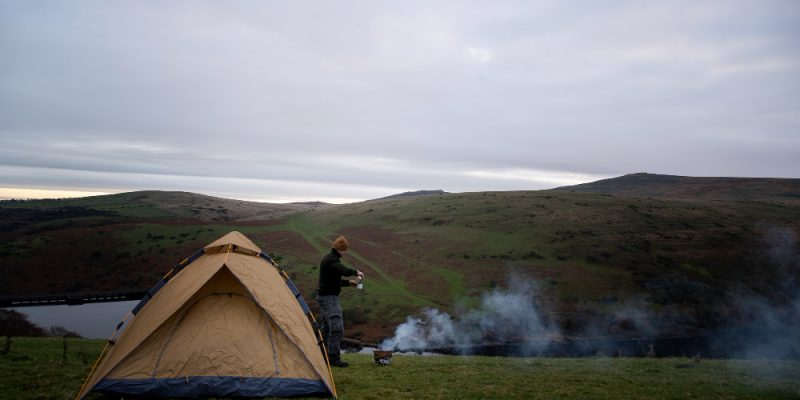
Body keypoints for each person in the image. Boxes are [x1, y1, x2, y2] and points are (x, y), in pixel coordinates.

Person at [316, 235, 364, 368]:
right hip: (328, 299)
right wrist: (357, 272)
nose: (345, 252)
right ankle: (333, 358)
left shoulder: (331, 259)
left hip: (325, 298)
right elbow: (343, 270)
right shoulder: (331, 260)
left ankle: (322, 356)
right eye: (345, 250)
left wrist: (349, 283)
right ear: (341, 249)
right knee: (337, 328)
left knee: (326, 329)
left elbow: (335, 281)